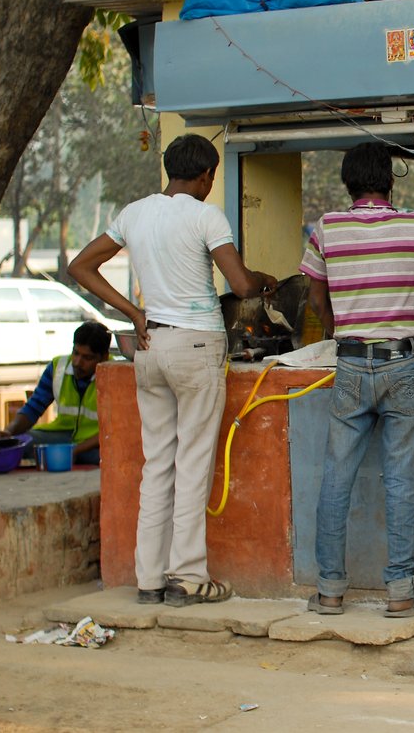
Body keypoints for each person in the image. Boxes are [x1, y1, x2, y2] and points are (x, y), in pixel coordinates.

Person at [69, 133, 277, 608]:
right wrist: (264, 279)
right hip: (197, 343)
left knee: (157, 463)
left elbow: (80, 266)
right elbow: (241, 284)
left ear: (169, 169)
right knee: (193, 462)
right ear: (205, 175)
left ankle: (148, 578)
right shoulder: (206, 215)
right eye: (211, 177)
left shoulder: (134, 213)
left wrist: (134, 313)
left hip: (151, 343)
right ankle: (187, 575)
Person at [299, 142, 414, 618]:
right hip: (401, 362)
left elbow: (315, 298)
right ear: (390, 180)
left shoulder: (325, 229)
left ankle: (328, 591)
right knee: (402, 478)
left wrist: (338, 331)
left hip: (348, 363)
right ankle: (402, 593)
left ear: (348, 183)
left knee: (335, 477)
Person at [4, 321, 110, 465]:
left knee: (108, 457)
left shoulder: (114, 374)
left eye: (87, 357)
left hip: (96, 442)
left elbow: (116, 430)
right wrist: (8, 434)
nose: (78, 362)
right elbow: (33, 408)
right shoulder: (57, 367)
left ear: (104, 357)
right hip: (62, 436)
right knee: (19, 443)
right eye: (76, 353)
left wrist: (75, 451)